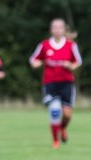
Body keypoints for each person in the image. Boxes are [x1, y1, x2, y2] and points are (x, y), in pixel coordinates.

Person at [29, 18, 82, 148]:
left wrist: (70, 65)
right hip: (50, 83)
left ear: (64, 30)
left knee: (67, 114)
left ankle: (62, 128)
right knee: (54, 110)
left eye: (60, 27)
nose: (57, 30)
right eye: (55, 27)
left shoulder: (71, 45)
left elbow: (78, 62)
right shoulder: (44, 45)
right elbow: (33, 59)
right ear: (51, 30)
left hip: (66, 83)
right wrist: (37, 63)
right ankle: (55, 141)